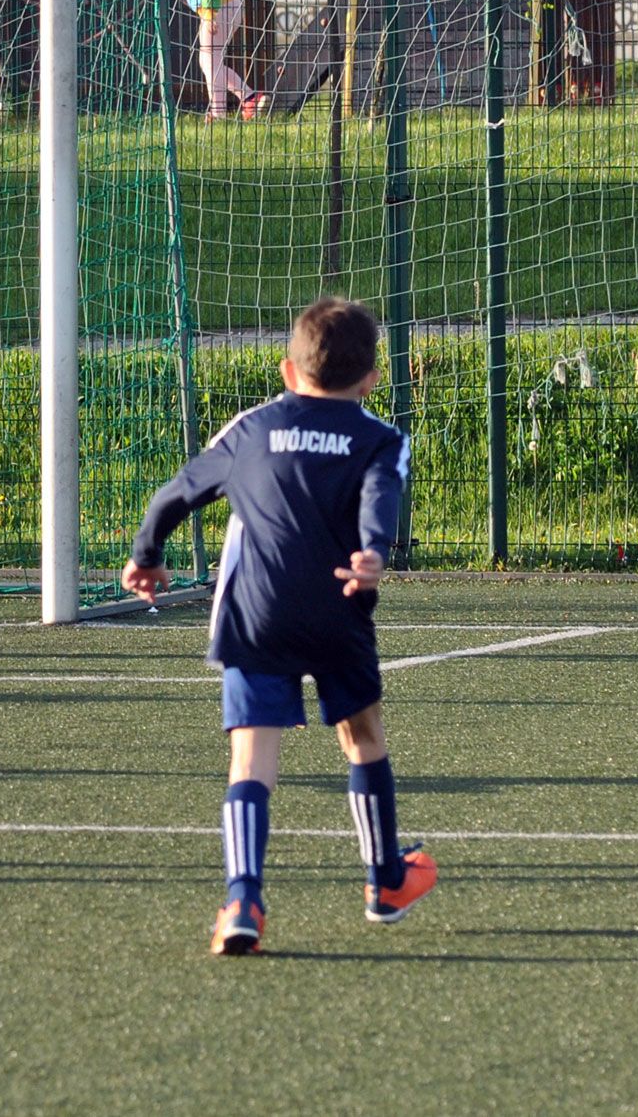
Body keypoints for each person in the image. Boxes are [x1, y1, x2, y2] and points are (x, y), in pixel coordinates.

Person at [122, 297, 433, 956]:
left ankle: (242, 897)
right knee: (363, 735)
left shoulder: (252, 426)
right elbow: (382, 497)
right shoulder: (380, 436)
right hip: (338, 607)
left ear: (289, 371)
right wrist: (373, 550)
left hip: (256, 611)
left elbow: (177, 490)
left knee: (251, 759)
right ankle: (385, 881)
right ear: (372, 378)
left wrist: (147, 553)